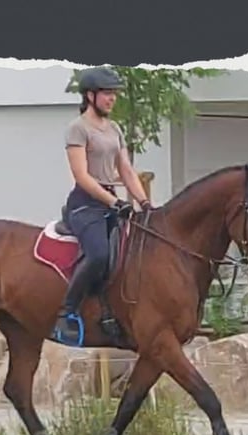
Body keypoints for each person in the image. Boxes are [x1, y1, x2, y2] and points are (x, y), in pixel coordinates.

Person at [52, 67, 153, 345]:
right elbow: (82, 176)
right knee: (98, 254)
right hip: (86, 205)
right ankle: (66, 312)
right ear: (90, 95)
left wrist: (144, 203)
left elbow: (127, 171)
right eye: (107, 94)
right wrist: (114, 201)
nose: (112, 99)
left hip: (112, 204)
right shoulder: (78, 128)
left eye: (114, 94)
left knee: (131, 256)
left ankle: (112, 312)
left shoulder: (115, 129)